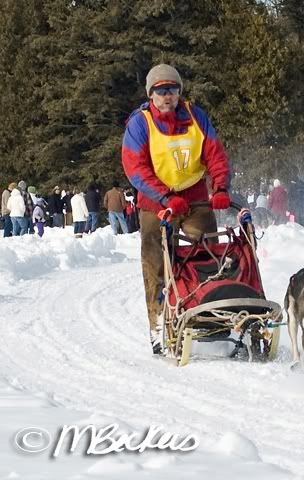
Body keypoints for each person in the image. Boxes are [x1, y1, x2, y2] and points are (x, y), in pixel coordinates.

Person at [121, 63, 231, 355]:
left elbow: (215, 154)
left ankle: (206, 315)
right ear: (151, 94)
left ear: (179, 92)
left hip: (194, 196)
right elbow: (135, 169)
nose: (167, 95)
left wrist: (219, 187)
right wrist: (166, 196)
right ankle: (157, 324)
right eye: (160, 91)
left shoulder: (196, 116)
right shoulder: (140, 123)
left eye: (172, 89)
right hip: (156, 201)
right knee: (155, 259)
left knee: (205, 252)